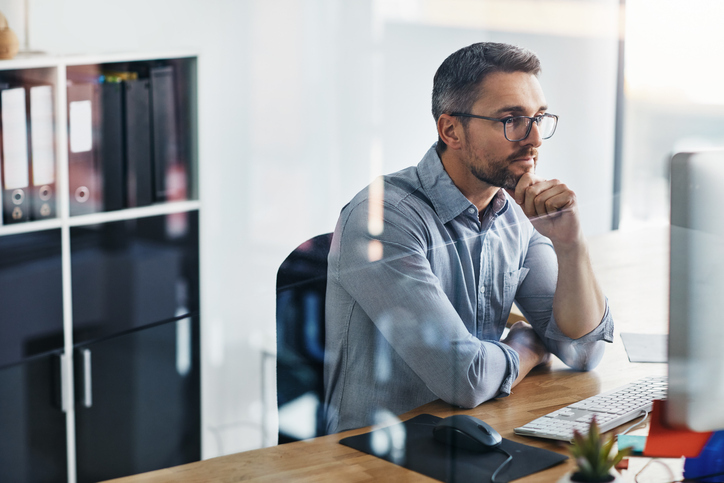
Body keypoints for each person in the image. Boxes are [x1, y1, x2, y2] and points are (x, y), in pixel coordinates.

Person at [323, 42, 613, 434]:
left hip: (478, 436)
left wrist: (570, 245)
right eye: (512, 119)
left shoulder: (514, 214)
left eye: (538, 118)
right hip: (378, 456)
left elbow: (583, 351)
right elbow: (465, 378)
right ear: (451, 130)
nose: (535, 140)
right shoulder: (383, 219)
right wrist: (528, 344)